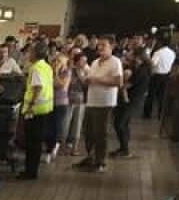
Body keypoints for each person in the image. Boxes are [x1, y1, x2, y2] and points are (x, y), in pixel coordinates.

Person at [79, 39, 124, 173]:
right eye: (99, 45)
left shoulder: (115, 62)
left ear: (112, 47)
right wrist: (87, 80)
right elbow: (91, 78)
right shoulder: (94, 62)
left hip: (105, 103)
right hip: (91, 101)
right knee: (88, 132)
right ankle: (91, 157)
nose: (100, 47)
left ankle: (100, 162)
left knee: (100, 133)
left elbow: (118, 82)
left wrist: (97, 80)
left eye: (103, 45)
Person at [17, 41, 53, 180]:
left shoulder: (36, 68)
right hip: (44, 109)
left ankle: (30, 171)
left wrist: (31, 106)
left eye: (30, 52)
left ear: (36, 53)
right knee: (36, 142)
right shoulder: (46, 66)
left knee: (32, 143)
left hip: (35, 111)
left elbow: (38, 87)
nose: (28, 54)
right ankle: (32, 170)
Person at [112, 47, 151, 159]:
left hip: (133, 100)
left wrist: (121, 83)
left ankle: (125, 149)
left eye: (132, 54)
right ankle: (123, 147)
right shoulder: (136, 67)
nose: (129, 56)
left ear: (138, 57)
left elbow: (127, 85)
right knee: (122, 123)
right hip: (129, 98)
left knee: (120, 123)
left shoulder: (142, 70)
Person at [62, 52, 89, 156]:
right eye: (82, 60)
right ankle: (63, 147)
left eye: (85, 61)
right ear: (77, 61)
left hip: (81, 101)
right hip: (68, 100)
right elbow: (67, 84)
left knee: (77, 125)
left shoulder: (86, 72)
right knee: (66, 123)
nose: (84, 63)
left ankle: (75, 148)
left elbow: (86, 85)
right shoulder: (70, 71)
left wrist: (82, 75)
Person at [47, 52, 71, 161]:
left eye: (60, 61)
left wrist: (56, 73)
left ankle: (56, 145)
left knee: (57, 125)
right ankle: (49, 147)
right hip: (50, 102)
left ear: (65, 62)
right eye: (56, 61)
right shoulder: (49, 71)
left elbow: (62, 85)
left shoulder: (67, 72)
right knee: (49, 126)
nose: (57, 63)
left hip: (61, 102)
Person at [145, 36, 175, 120]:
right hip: (166, 76)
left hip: (156, 76)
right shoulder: (172, 53)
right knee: (162, 96)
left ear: (161, 43)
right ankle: (160, 114)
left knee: (151, 95)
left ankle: (147, 114)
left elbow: (153, 64)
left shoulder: (158, 53)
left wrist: (147, 58)